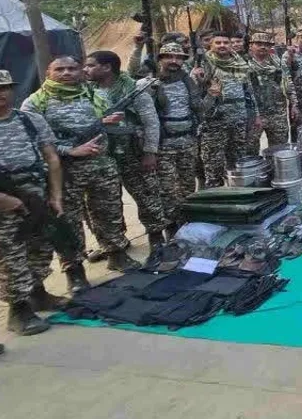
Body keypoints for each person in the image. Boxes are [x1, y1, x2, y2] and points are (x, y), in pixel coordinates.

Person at [0, 69, 84, 334]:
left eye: (3, 88)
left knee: (41, 248)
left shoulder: (30, 119)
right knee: (11, 255)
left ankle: (37, 294)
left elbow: (52, 158)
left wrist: (55, 196)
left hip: (36, 196)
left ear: (12, 90)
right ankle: (18, 311)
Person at [22, 57, 139, 273]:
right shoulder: (35, 103)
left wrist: (105, 122)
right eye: (60, 69)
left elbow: (101, 124)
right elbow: (32, 141)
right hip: (64, 172)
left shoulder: (94, 95)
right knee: (68, 220)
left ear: (81, 71)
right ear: (48, 73)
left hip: (101, 165)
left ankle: (116, 254)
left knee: (109, 212)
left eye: (72, 68)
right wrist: (69, 150)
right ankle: (74, 269)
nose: (66, 73)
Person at [84, 50, 168, 253]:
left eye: (91, 65)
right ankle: (114, 244)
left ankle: (156, 236)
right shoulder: (86, 92)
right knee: (106, 204)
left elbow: (151, 122)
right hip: (101, 156)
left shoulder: (133, 90)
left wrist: (150, 152)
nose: (85, 70)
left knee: (147, 196)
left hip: (132, 153)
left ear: (107, 67)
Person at [152, 42, 209, 231]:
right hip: (164, 144)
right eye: (169, 56)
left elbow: (199, 107)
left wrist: (211, 94)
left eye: (178, 58)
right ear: (160, 59)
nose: (174, 61)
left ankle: (187, 222)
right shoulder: (150, 82)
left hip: (187, 141)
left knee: (187, 185)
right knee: (167, 189)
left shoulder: (188, 81)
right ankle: (172, 227)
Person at [192, 33, 261, 187]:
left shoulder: (240, 64)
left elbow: (249, 92)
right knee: (213, 167)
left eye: (225, 42)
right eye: (218, 43)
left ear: (230, 45)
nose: (222, 45)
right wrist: (197, 78)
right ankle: (216, 197)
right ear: (211, 45)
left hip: (238, 122)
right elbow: (194, 97)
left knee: (238, 165)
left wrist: (256, 115)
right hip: (214, 124)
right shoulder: (203, 66)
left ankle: (238, 195)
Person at [246, 32, 294, 150]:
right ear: (251, 46)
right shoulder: (243, 65)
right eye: (259, 44)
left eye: (266, 45)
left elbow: (288, 84)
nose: (263, 47)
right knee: (251, 150)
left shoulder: (278, 63)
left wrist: (294, 104)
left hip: (277, 114)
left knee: (280, 149)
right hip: (254, 115)